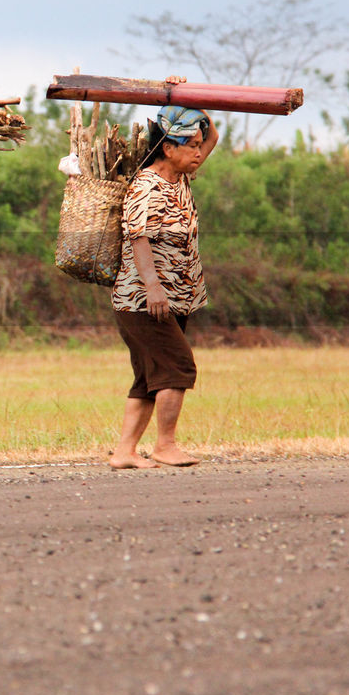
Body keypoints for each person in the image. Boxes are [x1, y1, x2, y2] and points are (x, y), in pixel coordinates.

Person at [108, 97, 219, 469]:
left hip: (175, 296)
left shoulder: (180, 176)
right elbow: (137, 236)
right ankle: (165, 446)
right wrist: (154, 287)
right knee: (177, 366)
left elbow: (213, 137)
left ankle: (124, 453)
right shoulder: (147, 185)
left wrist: (192, 103)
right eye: (190, 145)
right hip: (144, 299)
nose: (199, 152)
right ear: (168, 148)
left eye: (198, 145)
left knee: (149, 378)